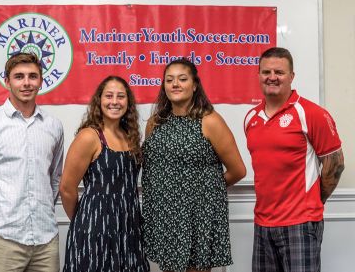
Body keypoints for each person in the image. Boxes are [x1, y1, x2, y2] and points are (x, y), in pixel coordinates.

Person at [244, 47, 345, 272]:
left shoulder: (311, 113)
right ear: (258, 75)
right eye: (266, 72)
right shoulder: (251, 118)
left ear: (291, 76)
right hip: (262, 224)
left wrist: (312, 203)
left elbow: (335, 165)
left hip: (300, 224)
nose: (272, 77)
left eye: (279, 72)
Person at [141, 58, 247, 272]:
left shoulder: (209, 121)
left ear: (195, 85)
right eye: (169, 80)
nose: (175, 84)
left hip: (196, 216)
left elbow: (238, 170)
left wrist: (201, 191)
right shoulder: (155, 122)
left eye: (182, 79)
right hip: (164, 215)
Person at [0, 52, 64, 271]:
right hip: (3, 239)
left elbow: (56, 177)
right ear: (7, 82)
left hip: (46, 241)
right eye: (19, 76)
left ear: (41, 81)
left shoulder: (54, 126)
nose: (26, 83)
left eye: (32, 76)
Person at [60, 76, 150, 272]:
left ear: (128, 102)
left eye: (121, 96)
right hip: (95, 231)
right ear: (99, 100)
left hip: (128, 227)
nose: (115, 102)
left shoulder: (130, 136)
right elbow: (66, 188)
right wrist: (84, 221)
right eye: (109, 96)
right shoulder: (89, 137)